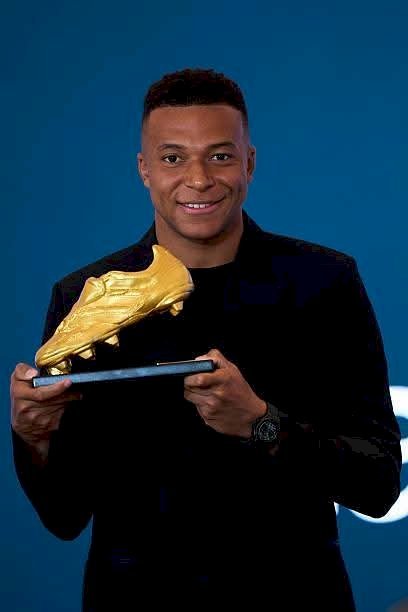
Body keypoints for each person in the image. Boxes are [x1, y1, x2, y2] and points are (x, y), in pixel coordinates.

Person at [10, 68, 401, 611]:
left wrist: (260, 422)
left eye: (219, 156)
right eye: (173, 158)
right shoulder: (87, 295)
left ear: (249, 163)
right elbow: (64, 516)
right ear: (144, 170)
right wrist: (35, 438)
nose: (198, 179)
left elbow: (377, 484)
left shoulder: (323, 282)